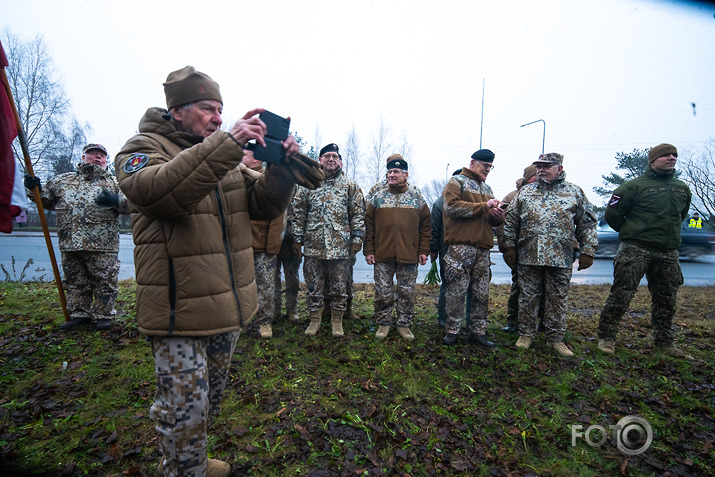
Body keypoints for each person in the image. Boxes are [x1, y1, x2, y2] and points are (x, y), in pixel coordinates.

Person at [114, 66, 319, 476]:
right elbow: (162, 194)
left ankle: (190, 459)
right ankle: (182, 467)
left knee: (205, 403)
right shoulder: (140, 150)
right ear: (177, 110)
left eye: (221, 109)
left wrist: (279, 166)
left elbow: (261, 207)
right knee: (183, 411)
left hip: (226, 310)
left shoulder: (220, 153)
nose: (219, 118)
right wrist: (228, 144)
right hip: (179, 314)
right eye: (208, 108)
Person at [597, 143, 694, 360]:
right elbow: (612, 215)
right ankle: (606, 337)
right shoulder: (632, 187)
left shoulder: (682, 188)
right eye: (666, 155)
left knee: (667, 299)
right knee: (621, 294)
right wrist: (632, 232)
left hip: (668, 252)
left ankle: (665, 343)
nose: (671, 158)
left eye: (674, 155)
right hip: (636, 249)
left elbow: (681, 215)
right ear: (652, 160)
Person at [24, 143, 129, 331]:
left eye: (101, 155)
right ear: (83, 157)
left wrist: (116, 201)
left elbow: (130, 205)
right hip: (70, 242)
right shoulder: (62, 181)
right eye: (92, 154)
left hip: (103, 244)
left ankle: (103, 315)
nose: (97, 157)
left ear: (106, 160)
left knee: (104, 281)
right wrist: (34, 189)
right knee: (75, 281)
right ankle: (79, 314)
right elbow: (45, 201)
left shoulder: (115, 183)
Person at [503, 152, 597, 357]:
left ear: (559, 169)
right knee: (527, 297)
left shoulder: (574, 192)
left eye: (547, 166)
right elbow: (510, 220)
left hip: (560, 257)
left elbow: (587, 223)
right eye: (539, 166)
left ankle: (555, 339)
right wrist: (508, 247)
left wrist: (588, 251)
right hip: (529, 255)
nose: (541, 170)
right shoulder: (526, 192)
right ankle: (526, 334)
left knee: (557, 299)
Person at [291, 143, 365, 337]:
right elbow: (298, 212)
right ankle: (314, 320)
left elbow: (357, 213)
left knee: (339, 288)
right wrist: (297, 238)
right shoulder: (308, 184)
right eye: (327, 156)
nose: (331, 159)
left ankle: (337, 322)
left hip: (340, 248)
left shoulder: (350, 185)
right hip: (313, 247)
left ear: (339, 161)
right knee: (314, 287)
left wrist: (357, 237)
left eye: (334, 156)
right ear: (320, 161)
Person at [441, 149, 505, 347]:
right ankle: (452, 330)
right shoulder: (456, 182)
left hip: (483, 249)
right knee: (456, 291)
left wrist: (497, 216)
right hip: (460, 247)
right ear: (473, 163)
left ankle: (478, 332)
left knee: (481, 292)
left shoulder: (488, 189)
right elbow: (451, 207)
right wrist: (484, 207)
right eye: (485, 166)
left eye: (490, 167)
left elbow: (492, 217)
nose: (488, 170)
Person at [364, 154, 430, 340]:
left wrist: (424, 250)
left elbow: (426, 226)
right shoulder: (378, 197)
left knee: (406, 292)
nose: (391, 175)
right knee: (383, 292)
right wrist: (368, 250)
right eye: (390, 171)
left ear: (406, 175)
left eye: (396, 171)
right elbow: (368, 226)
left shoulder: (416, 197)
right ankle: (383, 323)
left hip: (408, 255)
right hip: (382, 254)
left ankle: (404, 324)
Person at [242, 150, 287, 339]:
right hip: (241, 244)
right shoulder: (237, 179)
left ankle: (264, 322)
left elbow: (278, 217)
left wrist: (272, 245)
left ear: (256, 159)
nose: (239, 159)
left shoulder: (267, 180)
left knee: (265, 287)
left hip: (263, 244)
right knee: (243, 287)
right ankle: (244, 321)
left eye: (243, 155)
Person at [494, 165, 541, 333]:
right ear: (528, 178)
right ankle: (513, 321)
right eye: (535, 175)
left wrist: (574, 247)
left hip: (544, 253)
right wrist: (507, 249)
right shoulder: (512, 197)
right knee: (518, 287)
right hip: (521, 252)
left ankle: (542, 322)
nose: (539, 178)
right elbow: (502, 225)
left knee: (545, 289)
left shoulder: (550, 195)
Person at [429, 169, 468, 329]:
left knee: (471, 286)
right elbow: (434, 228)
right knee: (448, 284)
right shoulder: (441, 201)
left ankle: (468, 321)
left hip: (471, 249)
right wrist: (433, 249)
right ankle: (443, 318)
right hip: (448, 250)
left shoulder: (474, 200)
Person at [275, 190, 302, 323]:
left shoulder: (300, 186)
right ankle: (275, 308)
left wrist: (299, 239)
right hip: (273, 236)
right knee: (273, 277)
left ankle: (292, 308)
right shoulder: (273, 181)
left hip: (292, 239)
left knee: (292, 276)